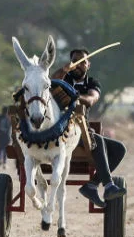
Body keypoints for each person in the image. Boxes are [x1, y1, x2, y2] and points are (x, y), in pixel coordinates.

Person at [52, 48, 127, 207]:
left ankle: (92, 184)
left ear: (88, 65)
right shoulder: (64, 78)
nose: (79, 66)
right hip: (60, 131)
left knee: (119, 149)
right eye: (75, 62)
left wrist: (73, 96)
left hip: (81, 130)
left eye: (82, 62)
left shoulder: (92, 83)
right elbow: (52, 83)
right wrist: (64, 70)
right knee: (97, 141)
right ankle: (107, 185)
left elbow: (91, 99)